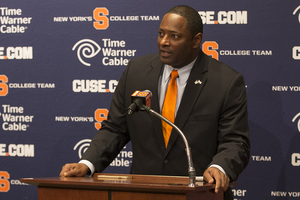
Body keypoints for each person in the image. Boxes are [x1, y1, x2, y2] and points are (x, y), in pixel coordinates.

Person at [60, 5, 250, 199]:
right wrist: (87, 164)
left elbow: (235, 141)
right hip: (143, 193)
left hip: (201, 193)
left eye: (174, 36)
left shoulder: (225, 82)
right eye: (161, 34)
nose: (163, 42)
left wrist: (220, 167)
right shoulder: (136, 71)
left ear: (196, 40)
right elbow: (115, 128)